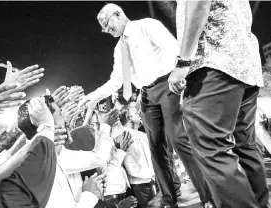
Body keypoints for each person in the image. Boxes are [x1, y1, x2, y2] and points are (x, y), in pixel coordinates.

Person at [79, 3, 210, 208]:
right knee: (156, 146)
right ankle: (169, 196)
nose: (106, 30)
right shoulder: (118, 49)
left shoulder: (146, 26)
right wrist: (93, 97)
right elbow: (116, 81)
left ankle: (207, 194)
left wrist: (180, 73)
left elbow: (173, 47)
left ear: (118, 14)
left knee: (178, 139)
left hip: (167, 84)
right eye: (103, 27)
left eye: (106, 24)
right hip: (147, 94)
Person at [169, 0, 270, 207]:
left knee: (211, 147)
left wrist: (183, 62)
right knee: (245, 146)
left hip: (213, 62)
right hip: (244, 65)